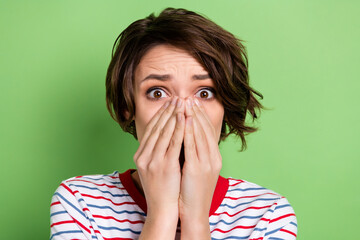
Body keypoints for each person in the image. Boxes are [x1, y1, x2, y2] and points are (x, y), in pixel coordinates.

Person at [50, 8, 297, 240]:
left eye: (204, 93)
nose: (183, 112)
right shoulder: (79, 202)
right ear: (128, 107)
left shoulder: (268, 215)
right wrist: (161, 215)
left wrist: (195, 218)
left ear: (225, 108)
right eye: (157, 93)